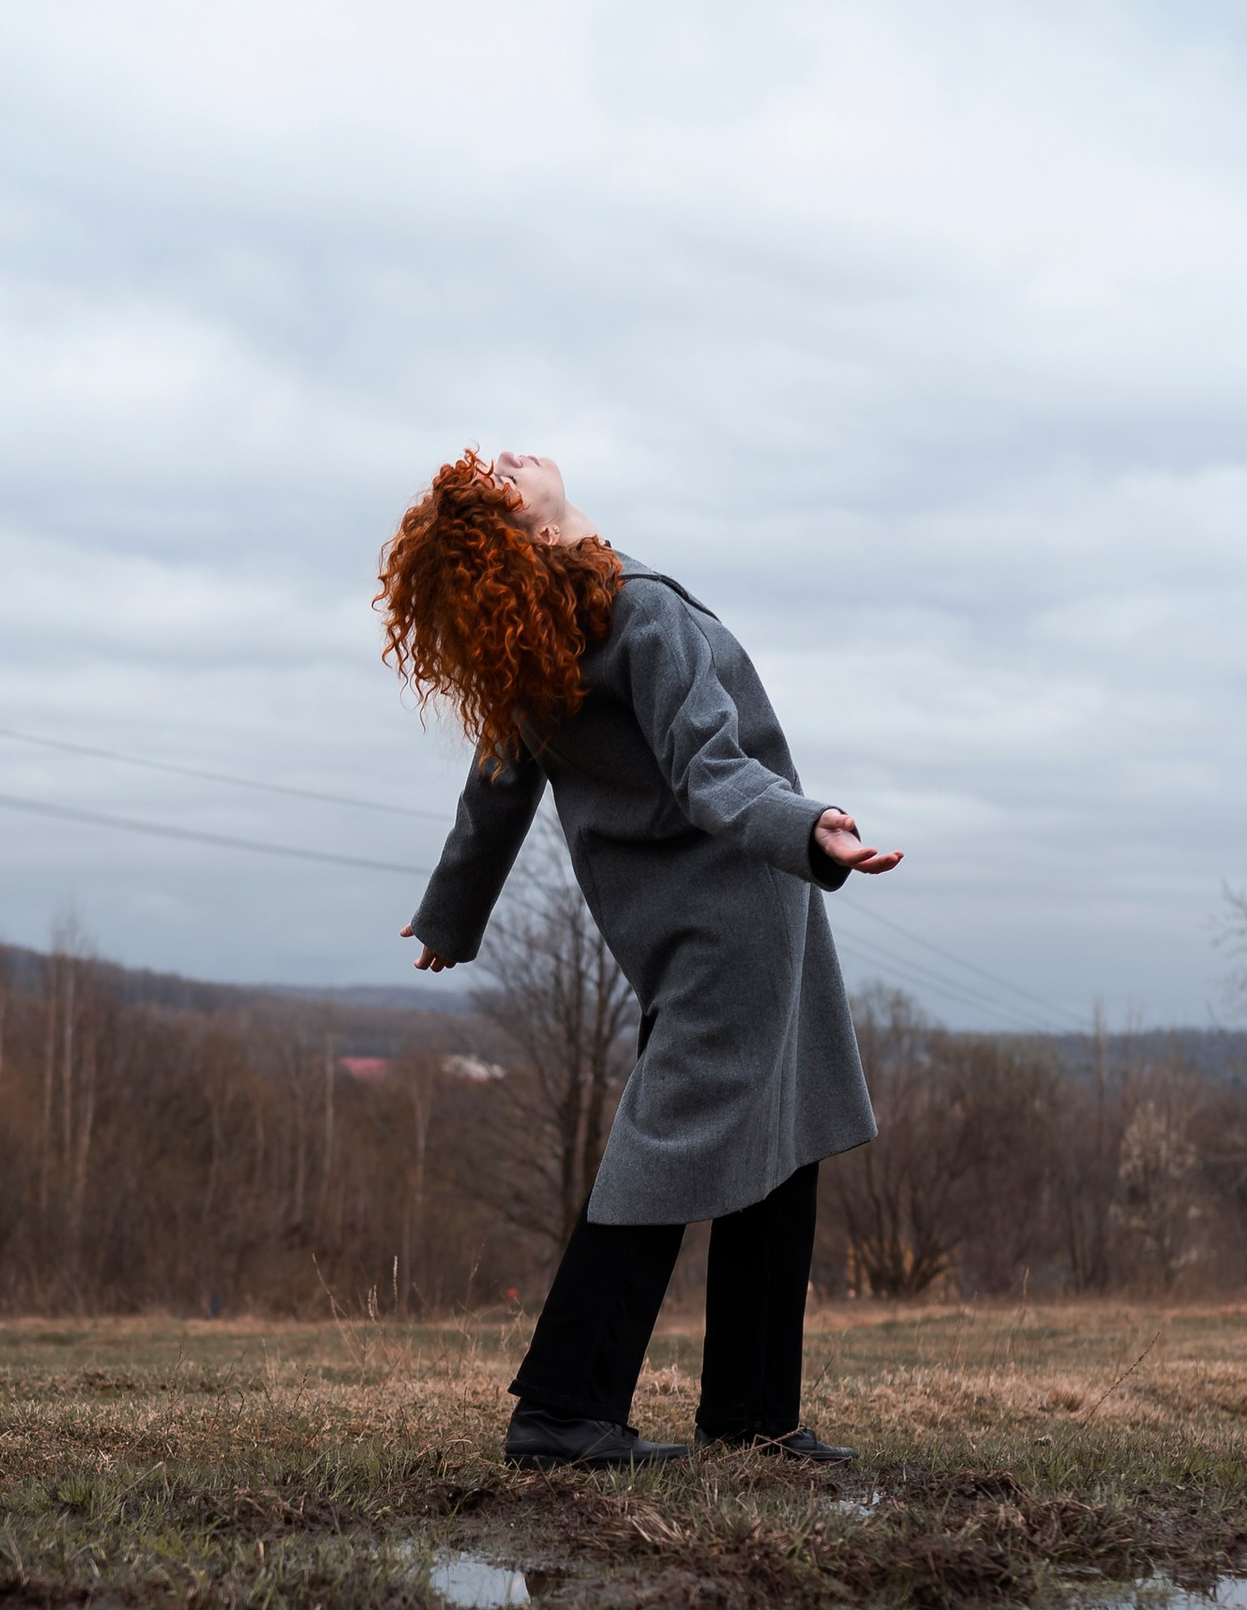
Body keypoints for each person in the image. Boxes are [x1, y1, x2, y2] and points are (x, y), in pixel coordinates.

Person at [380, 447, 900, 1468]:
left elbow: (495, 796)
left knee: (774, 1139)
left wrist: (451, 915)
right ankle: (564, 1412)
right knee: (671, 1150)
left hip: (686, 917)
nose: (512, 462)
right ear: (534, 535)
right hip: (736, 907)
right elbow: (712, 768)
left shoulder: (542, 642)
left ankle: (752, 1418)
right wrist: (810, 828)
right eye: (497, 485)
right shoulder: (630, 613)